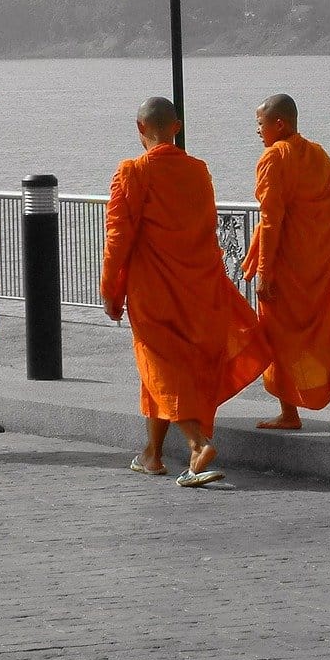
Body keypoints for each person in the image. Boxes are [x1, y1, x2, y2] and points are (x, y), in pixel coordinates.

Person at [100, 97, 270, 486]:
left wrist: (111, 290)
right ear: (176, 128)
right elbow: (207, 226)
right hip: (200, 284)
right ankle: (152, 454)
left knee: (160, 365)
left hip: (153, 289)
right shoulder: (198, 171)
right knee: (160, 370)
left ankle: (197, 444)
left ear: (140, 128)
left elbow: (117, 238)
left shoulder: (132, 172)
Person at [243, 93, 330, 430]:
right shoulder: (319, 155)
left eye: (260, 125)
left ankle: (290, 414)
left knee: (277, 334)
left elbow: (271, 218)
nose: (257, 132)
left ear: (279, 124)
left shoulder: (274, 158)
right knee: (320, 329)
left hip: (287, 265)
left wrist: (264, 271)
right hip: (320, 261)